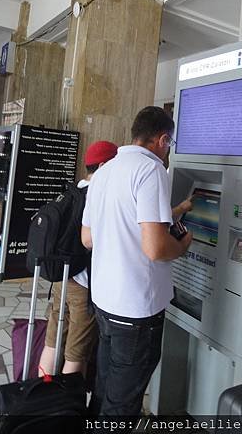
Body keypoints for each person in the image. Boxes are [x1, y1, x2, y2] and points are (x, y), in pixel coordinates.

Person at [82, 106, 193, 416]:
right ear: (162, 139)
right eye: (169, 143)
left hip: (104, 302)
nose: (168, 150)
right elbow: (156, 248)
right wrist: (182, 245)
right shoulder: (151, 170)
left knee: (105, 390)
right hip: (135, 310)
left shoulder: (104, 171)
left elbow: (87, 238)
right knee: (122, 405)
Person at [39, 140, 118, 377]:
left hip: (61, 279)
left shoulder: (72, 192)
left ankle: (42, 395)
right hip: (82, 285)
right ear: (104, 166)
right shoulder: (97, 196)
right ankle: (67, 409)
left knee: (52, 342)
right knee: (76, 353)